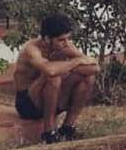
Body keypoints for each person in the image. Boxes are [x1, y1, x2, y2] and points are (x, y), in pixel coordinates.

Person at [12, 14, 99, 143]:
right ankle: (49, 133)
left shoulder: (65, 46)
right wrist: (75, 62)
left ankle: (67, 128)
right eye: (61, 40)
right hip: (28, 104)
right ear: (47, 39)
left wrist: (67, 66)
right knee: (53, 78)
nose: (66, 43)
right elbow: (50, 71)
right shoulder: (31, 49)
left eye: (68, 39)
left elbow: (95, 68)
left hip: (53, 98)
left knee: (88, 78)